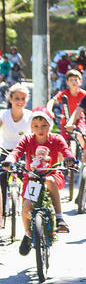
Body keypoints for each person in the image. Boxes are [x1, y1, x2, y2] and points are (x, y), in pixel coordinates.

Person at [3, 107, 75, 253]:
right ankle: (28, 234)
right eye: (35, 126)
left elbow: (66, 150)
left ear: (50, 125)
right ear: (31, 127)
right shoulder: (27, 139)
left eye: (44, 125)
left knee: (49, 180)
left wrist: (69, 159)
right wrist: (9, 160)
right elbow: (16, 152)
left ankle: (60, 218)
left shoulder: (56, 139)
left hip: (53, 174)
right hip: (32, 178)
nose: (40, 129)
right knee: (26, 207)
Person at [0, 83, 32, 227]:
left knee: (31, 180)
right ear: (11, 99)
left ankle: (33, 215)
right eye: (17, 98)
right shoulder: (3, 115)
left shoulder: (30, 116)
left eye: (23, 98)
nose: (20, 101)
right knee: (1, 183)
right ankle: (1, 216)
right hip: (5, 152)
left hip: (23, 153)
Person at [47, 69, 86, 140]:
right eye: (71, 80)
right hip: (66, 120)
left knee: (81, 135)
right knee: (63, 141)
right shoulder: (64, 93)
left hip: (79, 119)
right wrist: (49, 111)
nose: (74, 82)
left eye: (76, 80)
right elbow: (52, 101)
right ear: (67, 82)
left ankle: (82, 150)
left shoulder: (83, 94)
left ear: (80, 82)